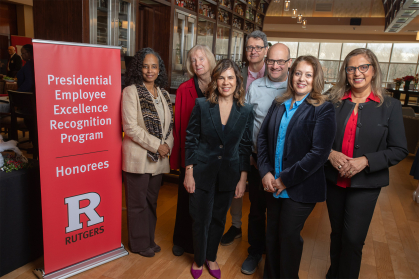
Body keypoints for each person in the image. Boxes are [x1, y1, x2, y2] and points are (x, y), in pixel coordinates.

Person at [325, 48, 408, 279]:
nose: (357, 73)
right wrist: (330, 154)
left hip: (366, 184)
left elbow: (400, 150)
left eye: (363, 67)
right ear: (346, 72)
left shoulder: (390, 106)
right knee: (337, 234)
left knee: (352, 240)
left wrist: (366, 160)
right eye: (351, 68)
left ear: (373, 71)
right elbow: (316, 140)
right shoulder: (333, 102)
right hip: (334, 181)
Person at [257, 55, 337, 279]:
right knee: (272, 235)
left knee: (288, 237)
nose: (302, 79)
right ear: (291, 76)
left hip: (300, 188)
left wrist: (285, 179)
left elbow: (318, 154)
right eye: (298, 73)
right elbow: (262, 139)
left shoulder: (323, 109)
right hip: (272, 184)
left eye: (308, 75)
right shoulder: (279, 103)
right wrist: (265, 172)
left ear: (316, 79)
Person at [185, 59, 254, 279]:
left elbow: (245, 146)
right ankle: (198, 258)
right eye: (221, 77)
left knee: (218, 218)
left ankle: (211, 257)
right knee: (200, 218)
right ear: (215, 81)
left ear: (237, 81)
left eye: (230, 77)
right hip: (202, 171)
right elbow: (191, 139)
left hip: (229, 173)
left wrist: (243, 178)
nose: (226, 82)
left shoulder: (246, 110)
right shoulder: (202, 105)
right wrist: (189, 172)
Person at [240, 43, 292, 275]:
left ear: (289, 63)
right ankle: (254, 252)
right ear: (265, 60)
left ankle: (276, 258)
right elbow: (247, 124)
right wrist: (250, 158)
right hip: (258, 162)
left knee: (280, 215)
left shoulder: (296, 86)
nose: (275, 65)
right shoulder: (256, 86)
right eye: (271, 60)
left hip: (287, 166)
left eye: (281, 61)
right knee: (256, 211)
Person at [121, 48, 174, 257]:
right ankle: (139, 244)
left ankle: (149, 239)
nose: (150, 70)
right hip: (138, 157)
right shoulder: (130, 91)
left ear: (159, 69)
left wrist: (167, 145)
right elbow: (130, 127)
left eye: (154, 66)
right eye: (145, 66)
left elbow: (170, 125)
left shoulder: (163, 93)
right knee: (137, 203)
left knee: (151, 202)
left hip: (158, 158)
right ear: (138, 68)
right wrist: (157, 145)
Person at [221, 30, 268, 247]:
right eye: (250, 47)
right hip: (237, 141)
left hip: (263, 146)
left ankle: (262, 237)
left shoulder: (275, 73)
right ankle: (236, 226)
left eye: (258, 47)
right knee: (234, 186)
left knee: (260, 195)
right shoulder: (237, 73)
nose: (254, 51)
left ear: (265, 50)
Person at [171, 44, 216, 256]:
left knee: (207, 202)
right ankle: (181, 241)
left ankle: (205, 244)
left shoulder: (221, 85)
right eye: (193, 60)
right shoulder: (184, 89)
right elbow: (179, 126)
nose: (197, 63)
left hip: (212, 154)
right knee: (185, 198)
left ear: (210, 60)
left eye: (201, 58)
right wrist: (181, 159)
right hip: (190, 153)